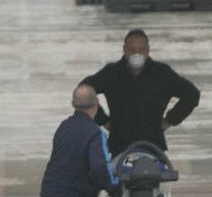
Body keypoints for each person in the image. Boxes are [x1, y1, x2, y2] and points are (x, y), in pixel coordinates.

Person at [80, 28, 201, 156]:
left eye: (141, 50)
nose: (136, 54)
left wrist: (169, 120)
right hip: (119, 147)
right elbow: (83, 91)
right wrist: (103, 120)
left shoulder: (161, 73)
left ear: (148, 51)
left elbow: (192, 94)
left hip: (153, 146)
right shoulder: (112, 73)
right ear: (125, 50)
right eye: (132, 50)